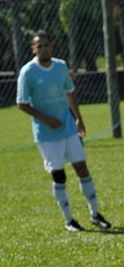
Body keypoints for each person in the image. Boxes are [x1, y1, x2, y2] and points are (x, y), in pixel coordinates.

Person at [17, 31, 112, 232]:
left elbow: (70, 92)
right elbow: (21, 103)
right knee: (59, 174)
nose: (44, 49)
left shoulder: (61, 66)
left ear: (52, 46)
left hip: (68, 128)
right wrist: (47, 120)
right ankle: (69, 220)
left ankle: (95, 214)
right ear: (33, 49)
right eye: (39, 46)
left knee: (82, 168)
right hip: (47, 133)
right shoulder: (28, 72)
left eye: (46, 45)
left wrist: (78, 119)